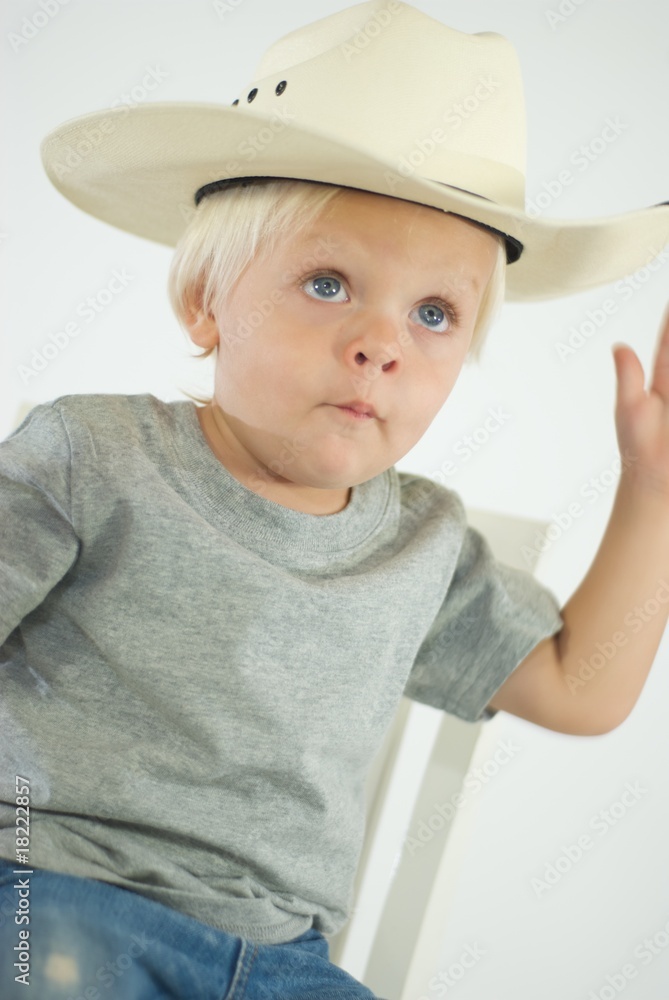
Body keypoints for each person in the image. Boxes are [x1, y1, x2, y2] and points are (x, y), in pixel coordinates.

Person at [1, 2, 668, 997]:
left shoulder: (424, 543)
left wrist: (653, 486)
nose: (381, 342)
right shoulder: (89, 455)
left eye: (434, 313)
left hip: (284, 964)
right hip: (55, 895)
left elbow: (584, 687)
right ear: (207, 300)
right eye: (327, 283)